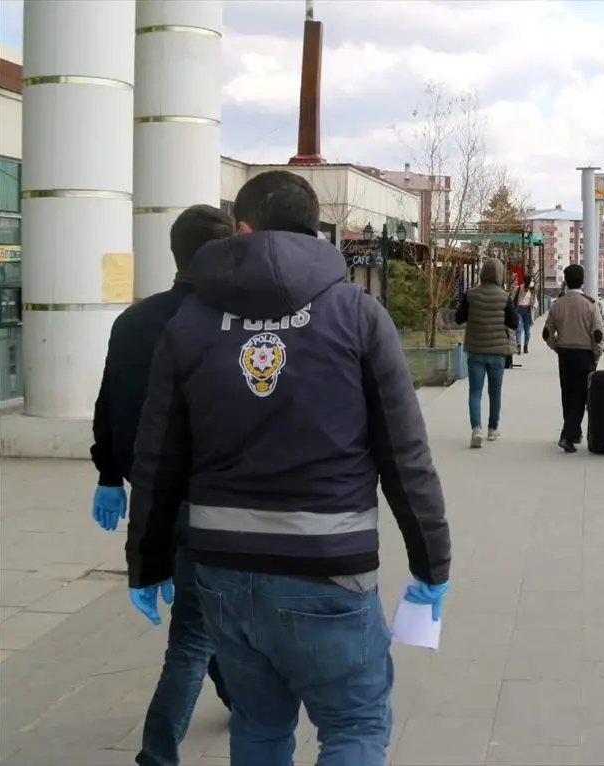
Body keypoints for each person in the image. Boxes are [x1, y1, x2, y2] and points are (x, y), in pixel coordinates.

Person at [126, 170, 452, 766]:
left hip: (223, 571)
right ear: (313, 230)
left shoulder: (191, 323)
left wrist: (145, 561)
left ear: (242, 230)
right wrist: (432, 563)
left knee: (258, 726)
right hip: (328, 566)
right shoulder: (357, 312)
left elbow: (158, 456)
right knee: (353, 724)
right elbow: (404, 454)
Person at [92, 205, 233, 766]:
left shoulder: (133, 320)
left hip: (151, 494)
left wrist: (109, 474)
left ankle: (237, 697)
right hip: (202, 499)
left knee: (200, 610)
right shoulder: (222, 323)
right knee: (195, 632)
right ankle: (156, 754)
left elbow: (107, 403)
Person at [543, 264, 604, 453]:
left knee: (568, 394)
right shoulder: (591, 304)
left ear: (565, 281)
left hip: (565, 353)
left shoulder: (557, 304)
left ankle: (574, 431)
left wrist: (557, 347)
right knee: (581, 396)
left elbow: (547, 333)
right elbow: (597, 334)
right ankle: (567, 435)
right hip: (585, 354)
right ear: (583, 281)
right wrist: (596, 354)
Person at [456, 257, 518, 446]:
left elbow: (459, 318)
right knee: (495, 392)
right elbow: (514, 323)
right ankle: (493, 429)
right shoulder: (504, 297)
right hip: (497, 352)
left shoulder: (471, 295)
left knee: (475, 391)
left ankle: (476, 429)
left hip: (475, 350)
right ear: (499, 275)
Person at [514, 280, 536, 355]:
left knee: (527, 331)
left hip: (528, 311)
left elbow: (535, 302)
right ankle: (518, 346)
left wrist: (534, 306)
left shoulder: (532, 291)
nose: (532, 282)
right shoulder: (519, 288)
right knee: (519, 328)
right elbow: (513, 297)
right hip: (519, 309)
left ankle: (526, 345)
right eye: (531, 280)